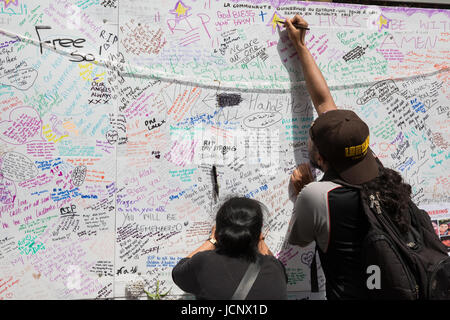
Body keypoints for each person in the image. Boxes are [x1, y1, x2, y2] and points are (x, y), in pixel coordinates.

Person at [285, 15, 417, 299]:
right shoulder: (378, 170)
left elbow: (299, 239)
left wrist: (302, 192)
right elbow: (324, 103)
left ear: (320, 157)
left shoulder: (318, 196)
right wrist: (301, 47)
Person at [172, 197, 288, 300]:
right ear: (258, 233)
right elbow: (282, 275)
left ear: (218, 231)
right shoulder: (275, 269)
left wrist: (212, 240)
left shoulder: (204, 262)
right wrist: (259, 239)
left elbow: (178, 273)